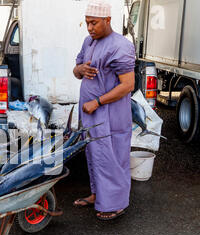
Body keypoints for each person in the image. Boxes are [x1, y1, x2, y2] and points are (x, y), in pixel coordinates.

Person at [72, 0, 135, 221]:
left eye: (94, 23)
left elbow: (128, 85)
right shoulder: (88, 42)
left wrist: (97, 102)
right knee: (94, 154)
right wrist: (80, 69)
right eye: (87, 23)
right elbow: (76, 70)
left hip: (110, 115)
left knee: (113, 155)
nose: (89, 28)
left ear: (107, 20)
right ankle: (97, 195)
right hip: (91, 115)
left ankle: (115, 204)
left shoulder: (121, 46)